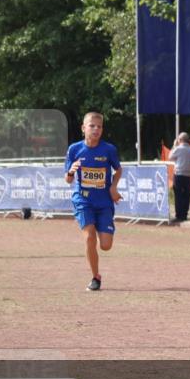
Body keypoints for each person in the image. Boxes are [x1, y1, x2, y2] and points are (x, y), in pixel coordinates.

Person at [64, 112, 121, 291]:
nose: (96, 129)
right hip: (83, 200)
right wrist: (71, 172)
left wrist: (113, 188)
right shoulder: (74, 149)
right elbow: (67, 179)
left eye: (99, 126)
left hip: (104, 202)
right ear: (83, 128)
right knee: (89, 237)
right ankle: (95, 277)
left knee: (105, 246)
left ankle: (100, 226)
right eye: (92, 126)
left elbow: (118, 170)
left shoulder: (109, 149)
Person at [168, 132, 190, 222]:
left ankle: (179, 215)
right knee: (186, 194)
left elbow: (170, 157)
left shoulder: (178, 148)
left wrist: (174, 145)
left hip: (179, 174)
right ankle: (184, 214)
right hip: (189, 175)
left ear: (179, 140)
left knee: (178, 195)